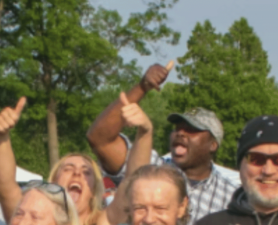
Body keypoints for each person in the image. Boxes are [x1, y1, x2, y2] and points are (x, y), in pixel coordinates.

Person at [0, 97, 151, 225]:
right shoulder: (31, 222)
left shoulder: (105, 223)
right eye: (67, 168)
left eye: (86, 172)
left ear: (94, 191)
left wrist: (145, 132)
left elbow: (133, 181)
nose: (76, 173)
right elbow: (6, 187)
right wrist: (1, 136)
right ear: (53, 182)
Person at [85, 63, 240, 186]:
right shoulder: (150, 167)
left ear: (212, 145)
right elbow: (99, 139)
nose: (181, 133)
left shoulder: (229, 197)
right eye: (177, 128)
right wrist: (142, 87)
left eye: (192, 130)